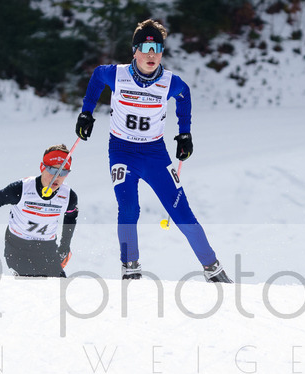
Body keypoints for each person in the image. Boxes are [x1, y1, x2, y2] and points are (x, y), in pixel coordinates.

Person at [75, 18, 232, 283]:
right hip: (122, 151)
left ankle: (213, 270)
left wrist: (185, 133)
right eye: (146, 49)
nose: (151, 55)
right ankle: (130, 269)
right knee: (128, 208)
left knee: (182, 213)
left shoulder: (170, 82)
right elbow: (98, 75)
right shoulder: (117, 75)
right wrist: (86, 113)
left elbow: (184, 95)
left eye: (157, 49)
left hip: (155, 155)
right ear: (134, 51)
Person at [0, 145, 79, 278]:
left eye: (63, 172)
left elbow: (71, 216)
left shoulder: (68, 196)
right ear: (42, 167)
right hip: (17, 248)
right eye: (53, 170)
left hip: (47, 249)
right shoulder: (22, 189)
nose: (57, 177)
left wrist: (64, 247)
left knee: (58, 285)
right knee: (31, 282)